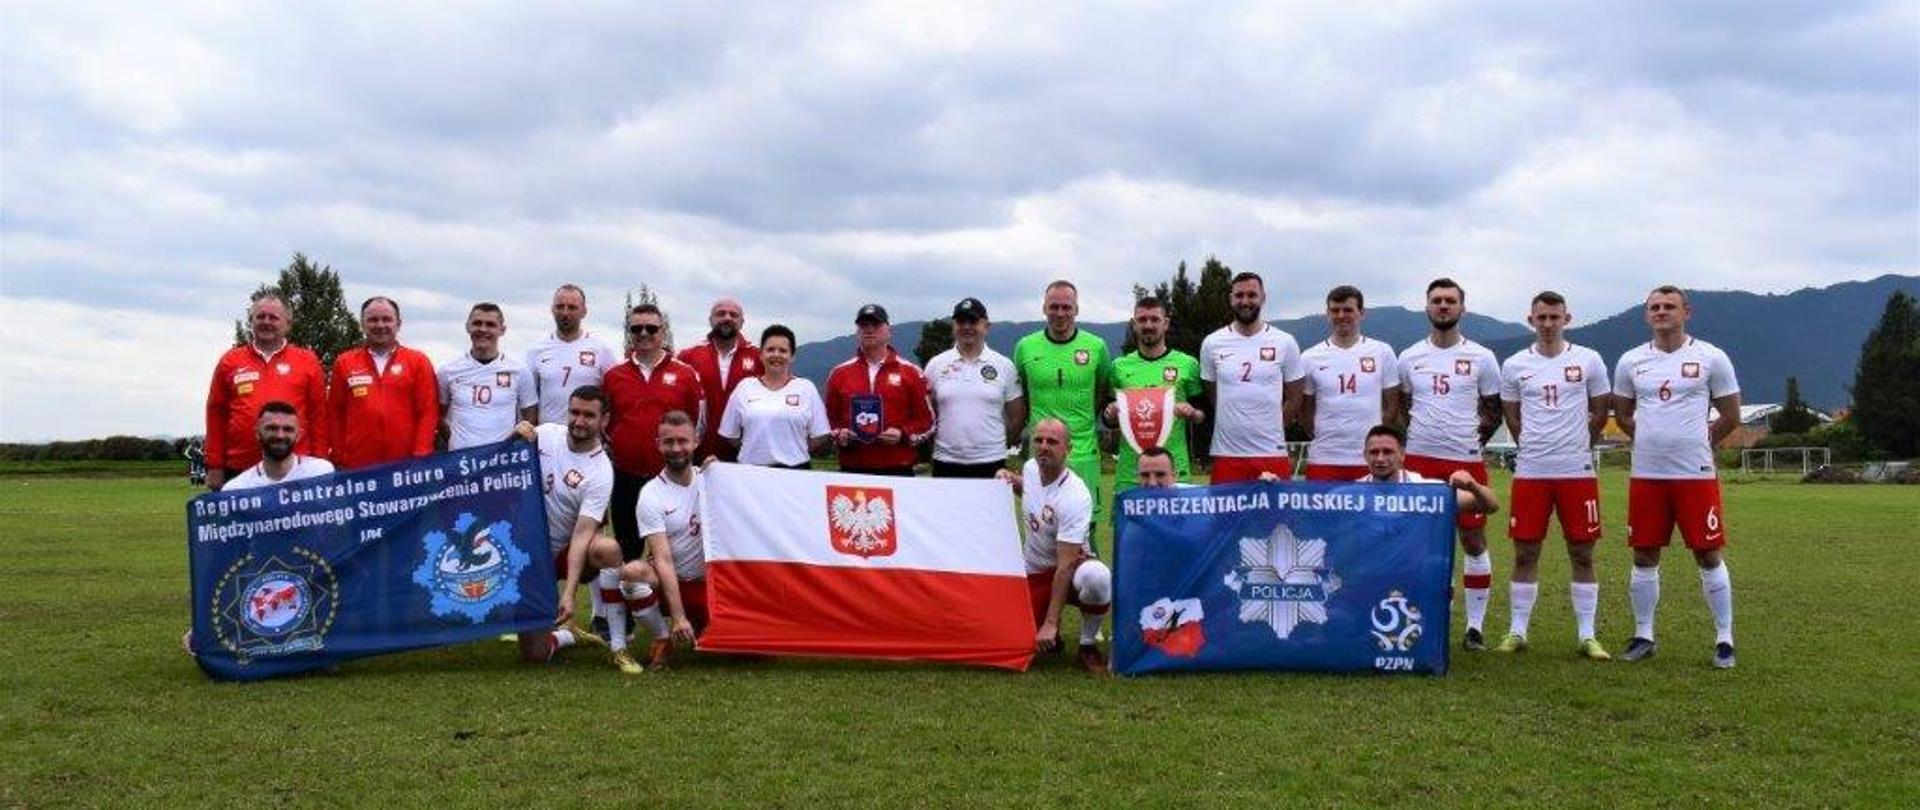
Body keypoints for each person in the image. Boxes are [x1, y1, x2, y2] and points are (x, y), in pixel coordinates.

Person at [1612, 285, 1742, 668]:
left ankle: (1724, 639)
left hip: (1695, 475)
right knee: (1644, 553)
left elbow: (1731, 415)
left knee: (1707, 552)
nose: (1661, 312)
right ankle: (1644, 635)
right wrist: (1652, 442)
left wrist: (1699, 443)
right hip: (1647, 474)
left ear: (1687, 312)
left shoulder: (1711, 357)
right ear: (1646, 315)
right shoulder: (1631, 361)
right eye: (1655, 307)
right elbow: (1623, 415)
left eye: (1669, 306)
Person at [1497, 291, 1613, 660]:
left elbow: (1600, 411)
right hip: (1531, 473)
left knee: (1582, 553)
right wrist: (1532, 447)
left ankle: (1587, 635)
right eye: (1541, 318)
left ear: (1567, 319)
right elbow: (1512, 416)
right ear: (1531, 320)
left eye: (1554, 317)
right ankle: (1517, 631)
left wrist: (1580, 445)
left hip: (1576, 472)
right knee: (1525, 553)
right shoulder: (1514, 364)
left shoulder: (1588, 360)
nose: (1548, 324)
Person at [1394, 278, 1503, 650]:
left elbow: (1493, 410)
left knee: (1473, 540)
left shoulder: (1482, 357)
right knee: (1422, 544)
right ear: (1427, 307)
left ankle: (1474, 628)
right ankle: (1430, 619)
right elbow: (1403, 408)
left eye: (1450, 301)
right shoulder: (1409, 356)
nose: (1443, 306)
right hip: (1419, 461)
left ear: (1462, 308)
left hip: (1464, 462)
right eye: (1437, 300)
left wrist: (1472, 444)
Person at [510, 386, 644, 674]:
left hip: (563, 552)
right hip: (525, 555)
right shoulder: (545, 434)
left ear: (604, 420)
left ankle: (617, 644)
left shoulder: (601, 471)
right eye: (574, 412)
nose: (579, 421)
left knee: (607, 548)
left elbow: (583, 535)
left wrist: (569, 593)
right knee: (535, 654)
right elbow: (498, 464)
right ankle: (567, 636)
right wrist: (513, 436)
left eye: (589, 415)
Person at [183, 401, 335, 653]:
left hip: (317, 572)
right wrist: (203, 624)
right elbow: (225, 557)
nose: (280, 435)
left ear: (299, 434)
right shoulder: (236, 489)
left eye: (287, 429)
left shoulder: (321, 471)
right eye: (271, 428)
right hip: (264, 575)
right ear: (257, 433)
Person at [996, 419, 1113, 675]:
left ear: (1068, 449)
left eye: (1052, 442)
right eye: (1038, 440)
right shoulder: (1030, 468)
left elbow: (1066, 565)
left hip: (1070, 570)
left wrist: (1050, 621)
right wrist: (1011, 479)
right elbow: (1033, 493)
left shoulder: (1075, 495)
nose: (1044, 446)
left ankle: (1087, 644)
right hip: (1034, 570)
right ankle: (1052, 638)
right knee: (1005, 639)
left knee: (1098, 578)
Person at [602, 303, 706, 568]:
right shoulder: (613, 375)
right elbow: (606, 422)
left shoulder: (685, 374)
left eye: (651, 328)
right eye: (637, 328)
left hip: (672, 478)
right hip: (625, 476)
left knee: (673, 553)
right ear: (629, 332)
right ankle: (629, 595)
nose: (644, 333)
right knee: (627, 551)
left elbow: (697, 424)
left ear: (663, 330)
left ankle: (670, 596)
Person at [202, 293, 328, 490]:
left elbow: (319, 416)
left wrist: (320, 463)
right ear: (251, 321)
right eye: (260, 317)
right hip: (240, 467)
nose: (266, 322)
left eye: (273, 317)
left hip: (295, 471)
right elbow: (216, 414)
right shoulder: (230, 361)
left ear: (288, 324)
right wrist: (214, 464)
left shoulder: (307, 361)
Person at [1200, 272, 1306, 483]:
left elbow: (1295, 398)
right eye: (1239, 295)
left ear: (1263, 298)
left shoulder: (1285, 342)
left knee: (1276, 507)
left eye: (1252, 295)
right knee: (1225, 506)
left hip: (1271, 452)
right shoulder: (1212, 343)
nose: (1245, 301)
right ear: (1231, 299)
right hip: (1227, 454)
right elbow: (1213, 395)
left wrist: (1272, 427)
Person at [1014, 281, 1112, 509]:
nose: (1060, 313)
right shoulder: (1025, 347)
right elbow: (1023, 395)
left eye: (1066, 307)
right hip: (1041, 454)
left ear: (1076, 309)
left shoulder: (1097, 347)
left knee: (1086, 524)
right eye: (1054, 307)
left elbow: (1101, 392)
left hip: (1083, 452)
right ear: (1044, 308)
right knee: (1039, 522)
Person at [1300, 286, 1401, 481]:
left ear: (1361, 313)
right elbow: (1305, 411)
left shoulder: (1382, 352)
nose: (1341, 316)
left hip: (1369, 460)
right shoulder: (1310, 357)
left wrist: (1376, 439)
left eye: (1348, 310)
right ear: (1327, 314)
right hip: (1324, 459)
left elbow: (1392, 406)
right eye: (1335, 310)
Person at [327, 297, 438, 470]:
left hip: (407, 466)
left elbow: (428, 412)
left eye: (387, 319)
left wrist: (421, 455)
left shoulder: (418, 361)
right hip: (357, 467)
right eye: (373, 320)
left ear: (398, 324)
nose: (380, 325)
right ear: (362, 324)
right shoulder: (344, 362)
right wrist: (340, 456)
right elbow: (335, 414)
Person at [1106, 296, 1204, 491]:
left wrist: (1192, 413)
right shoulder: (1119, 366)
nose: (1148, 325)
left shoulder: (1187, 364)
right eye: (1142, 320)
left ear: (1165, 323)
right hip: (1130, 473)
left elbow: (1203, 415)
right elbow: (1107, 418)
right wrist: (1110, 414)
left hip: (1174, 471)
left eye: (1154, 319)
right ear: (1134, 324)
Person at [824, 304, 934, 476]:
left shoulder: (911, 372)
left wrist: (903, 434)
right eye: (863, 325)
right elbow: (828, 420)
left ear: (889, 331)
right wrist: (840, 433)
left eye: (876, 325)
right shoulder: (839, 373)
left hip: (898, 467)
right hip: (853, 468)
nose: (869, 330)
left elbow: (927, 421)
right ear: (857, 332)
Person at [636, 411, 708, 670]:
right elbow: (663, 560)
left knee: (754, 653)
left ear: (696, 441)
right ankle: (663, 636)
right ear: (658, 444)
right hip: (671, 584)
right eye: (669, 442)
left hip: (709, 585)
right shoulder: (651, 494)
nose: (676, 448)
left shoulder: (712, 480)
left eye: (683, 441)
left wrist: (724, 472)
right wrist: (677, 616)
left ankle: (702, 622)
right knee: (633, 577)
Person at [928, 298, 1025, 478]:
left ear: (986, 326)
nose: (966, 327)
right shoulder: (936, 365)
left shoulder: (1004, 365)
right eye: (960, 321)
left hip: (992, 461)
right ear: (953, 326)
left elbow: (1017, 417)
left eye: (973, 321)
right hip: (945, 461)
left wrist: (999, 446)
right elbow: (928, 413)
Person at [717, 324, 830, 468]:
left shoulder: (806, 388)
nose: (776, 355)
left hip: (796, 471)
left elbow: (821, 434)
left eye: (783, 350)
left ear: (792, 356)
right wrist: (755, 452)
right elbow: (730, 434)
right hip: (752, 471)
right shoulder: (745, 387)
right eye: (770, 349)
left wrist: (795, 451)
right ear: (761, 354)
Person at [439, 303, 537, 450]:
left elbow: (530, 419)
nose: (483, 329)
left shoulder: (519, 371)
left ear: (502, 330)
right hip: (461, 458)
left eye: (490, 325)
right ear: (467, 327)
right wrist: (455, 440)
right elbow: (437, 416)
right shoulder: (448, 370)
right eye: (477, 323)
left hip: (502, 459)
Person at [678, 298, 763, 463]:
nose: (727, 318)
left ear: (742, 322)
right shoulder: (688, 356)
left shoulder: (758, 357)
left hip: (744, 454)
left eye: (733, 315)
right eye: (721, 314)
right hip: (697, 453)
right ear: (710, 320)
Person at [1350, 425, 1500, 515]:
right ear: (1365, 456)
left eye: (1388, 452)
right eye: (1374, 452)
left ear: (1402, 455)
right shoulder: (1351, 496)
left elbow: (1491, 506)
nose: (1380, 458)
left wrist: (1473, 486)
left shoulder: (1426, 491)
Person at [525, 284, 619, 425]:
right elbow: (528, 400)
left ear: (584, 311)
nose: (565, 313)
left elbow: (612, 397)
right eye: (560, 307)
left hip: (586, 433)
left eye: (572, 307)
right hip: (548, 434)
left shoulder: (602, 351)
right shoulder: (536, 350)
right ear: (552, 309)